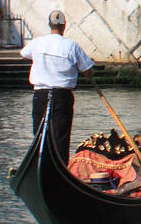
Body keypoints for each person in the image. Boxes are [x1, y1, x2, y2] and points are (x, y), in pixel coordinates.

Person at [21, 9, 95, 161]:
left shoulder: (38, 43)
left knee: (40, 134)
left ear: (49, 24)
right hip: (62, 97)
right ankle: (60, 165)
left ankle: (39, 163)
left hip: (40, 95)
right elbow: (88, 71)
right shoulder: (71, 46)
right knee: (60, 137)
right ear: (64, 25)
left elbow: (23, 54)